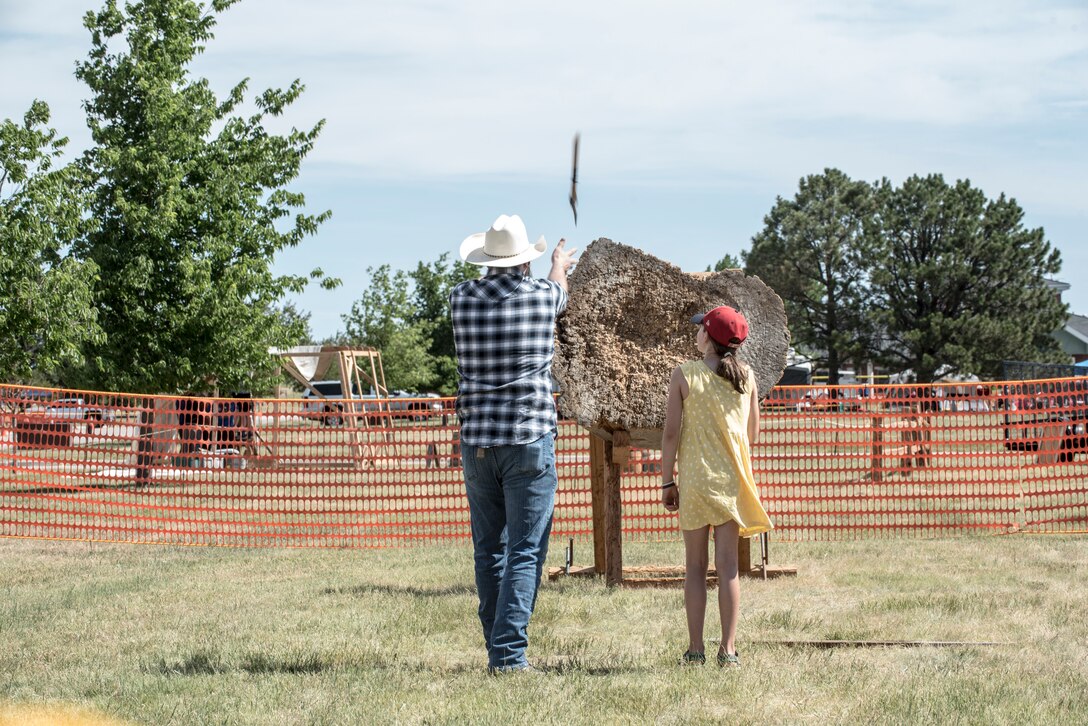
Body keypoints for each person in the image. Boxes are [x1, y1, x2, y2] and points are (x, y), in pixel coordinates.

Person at [449, 213, 577, 673]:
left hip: (477, 441)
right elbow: (558, 290)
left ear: (486, 260)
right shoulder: (542, 297)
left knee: (490, 550)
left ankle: (497, 646)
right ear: (526, 263)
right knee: (525, 549)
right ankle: (508, 656)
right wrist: (559, 261)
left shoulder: (460, 299)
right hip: (529, 438)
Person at [660, 305, 772, 667]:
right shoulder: (748, 377)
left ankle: (695, 650)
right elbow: (752, 433)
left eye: (700, 329)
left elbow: (671, 434)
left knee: (694, 568)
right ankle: (729, 649)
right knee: (729, 569)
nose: (696, 333)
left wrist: (667, 481)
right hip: (731, 482)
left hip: (694, 482)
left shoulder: (684, 374)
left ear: (707, 337)